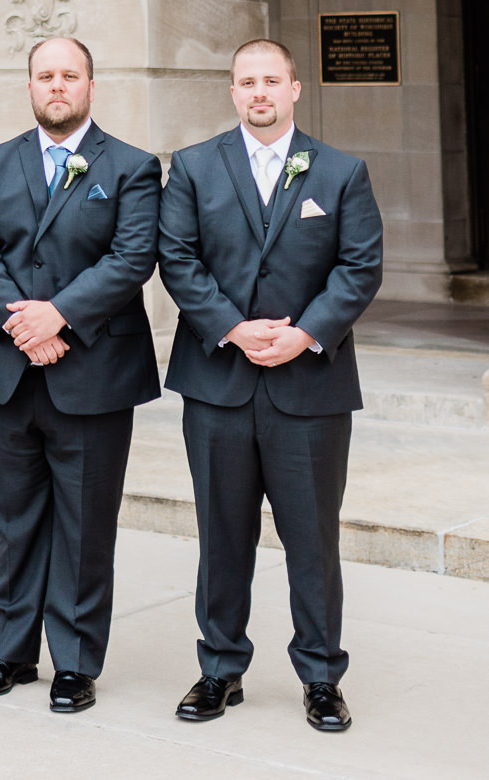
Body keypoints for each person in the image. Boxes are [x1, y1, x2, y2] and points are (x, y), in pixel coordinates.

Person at [159, 37, 383, 734]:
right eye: (246, 81)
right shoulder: (194, 167)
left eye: (270, 81)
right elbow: (178, 255)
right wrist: (232, 326)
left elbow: (359, 266)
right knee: (221, 536)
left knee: (312, 541)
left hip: (309, 387)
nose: (258, 92)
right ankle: (220, 669)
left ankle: (320, 675)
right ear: (232, 92)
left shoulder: (341, 173)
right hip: (218, 383)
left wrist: (304, 333)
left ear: (294, 89)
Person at [0, 35, 160, 715]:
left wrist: (61, 318)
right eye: (45, 75)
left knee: (83, 522)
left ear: (90, 87)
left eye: (69, 75)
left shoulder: (130, 167)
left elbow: (132, 257)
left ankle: (74, 661)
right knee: (15, 519)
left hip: (93, 370)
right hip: (9, 367)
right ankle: (10, 653)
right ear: (31, 87)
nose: (57, 85)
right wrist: (24, 323)